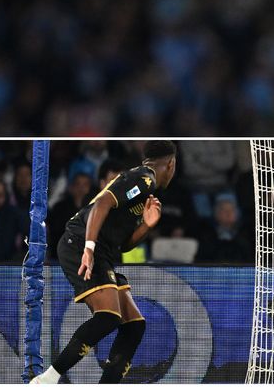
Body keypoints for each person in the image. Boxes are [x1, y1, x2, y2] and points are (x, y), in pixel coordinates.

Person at [30, 141, 177, 384]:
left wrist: (147, 226)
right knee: (108, 316)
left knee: (134, 325)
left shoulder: (144, 191)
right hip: (81, 243)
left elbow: (124, 245)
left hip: (104, 252)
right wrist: (89, 248)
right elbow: (102, 203)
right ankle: (47, 379)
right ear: (171, 164)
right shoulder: (144, 178)